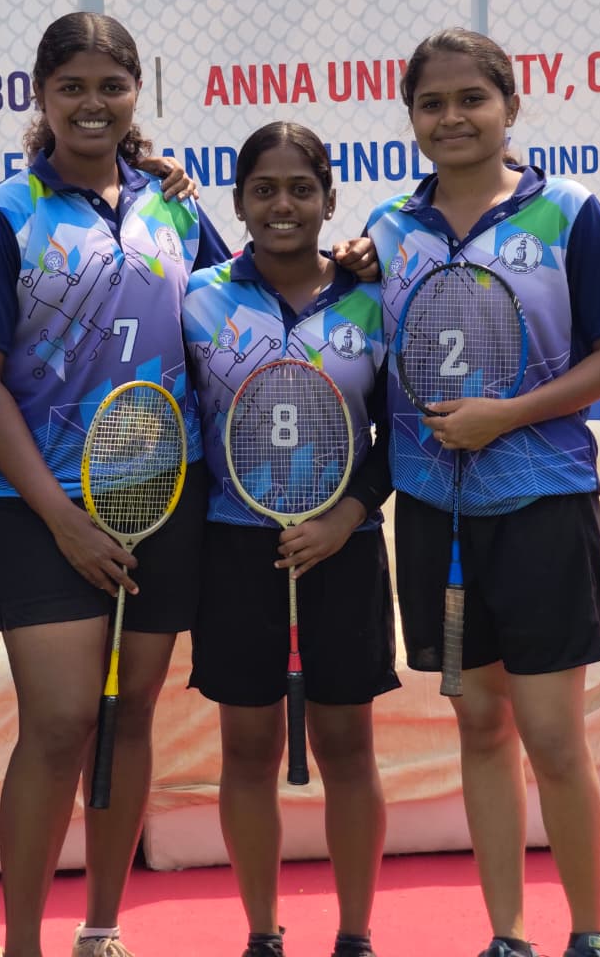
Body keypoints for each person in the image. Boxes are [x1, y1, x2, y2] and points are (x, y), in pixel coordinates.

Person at [0, 11, 230, 957]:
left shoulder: (175, 206)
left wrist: (347, 267)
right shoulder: (4, 214)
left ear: (135, 94)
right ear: (40, 94)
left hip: (165, 491)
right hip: (40, 508)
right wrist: (60, 517)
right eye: (71, 85)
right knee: (62, 722)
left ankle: (102, 931)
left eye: (111, 85)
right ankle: (22, 943)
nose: (92, 103)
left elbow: (239, 314)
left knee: (132, 711)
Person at [364, 29, 600, 957]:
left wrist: (508, 414)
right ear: (409, 118)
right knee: (478, 725)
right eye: (431, 104)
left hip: (542, 506)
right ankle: (506, 937)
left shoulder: (567, 212)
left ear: (509, 106)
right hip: (431, 518)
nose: (451, 118)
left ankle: (591, 935)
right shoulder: (386, 232)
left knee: (551, 735)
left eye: (470, 99)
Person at [181, 121, 399, 957]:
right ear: (237, 202)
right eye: (263, 190)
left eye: (300, 189)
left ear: (328, 199)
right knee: (246, 745)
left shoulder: (371, 299)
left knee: (347, 744)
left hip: (341, 548)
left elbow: (399, 437)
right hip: (235, 551)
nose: (282, 205)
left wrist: (346, 515)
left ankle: (354, 936)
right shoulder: (198, 297)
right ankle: (262, 935)